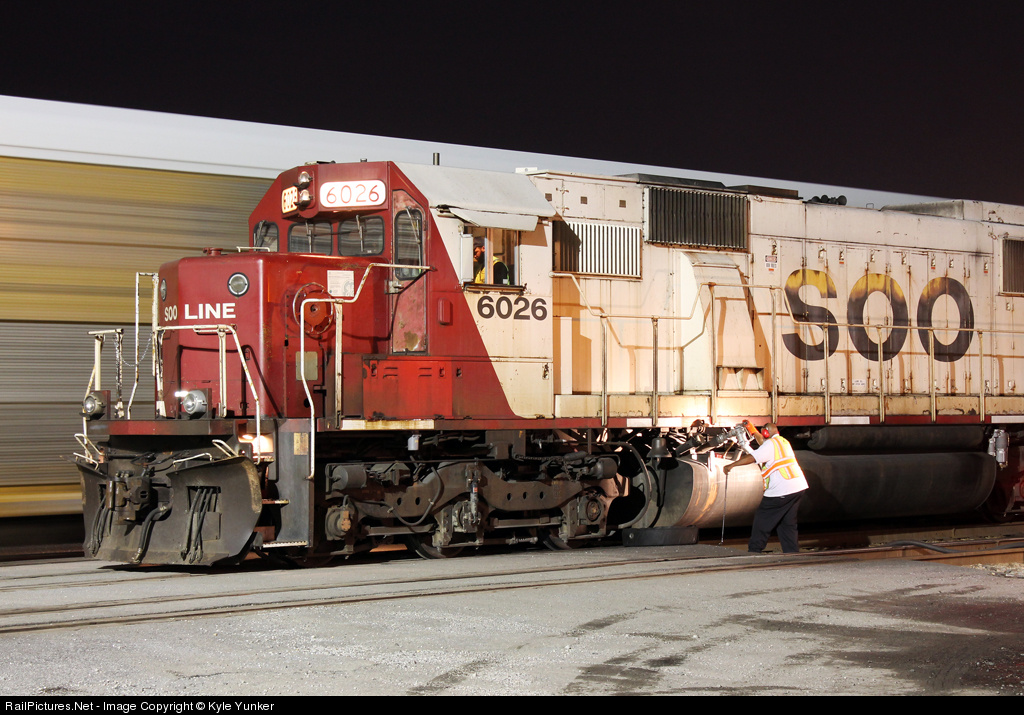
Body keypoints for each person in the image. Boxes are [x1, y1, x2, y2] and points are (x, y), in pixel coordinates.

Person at [723, 423, 809, 554]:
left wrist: (731, 465)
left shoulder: (770, 445)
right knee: (787, 523)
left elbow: (753, 457)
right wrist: (752, 430)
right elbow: (763, 442)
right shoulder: (782, 442)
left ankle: (754, 550)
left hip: (781, 490)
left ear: (766, 432)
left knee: (762, 520)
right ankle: (792, 552)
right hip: (797, 487)